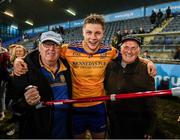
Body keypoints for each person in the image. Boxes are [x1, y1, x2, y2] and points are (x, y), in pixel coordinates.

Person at [13, 14, 157, 139]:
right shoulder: (67, 49)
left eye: (97, 33)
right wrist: (20, 60)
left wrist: (148, 61)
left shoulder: (110, 51)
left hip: (99, 106)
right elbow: (44, 52)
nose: (93, 37)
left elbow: (129, 55)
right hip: (75, 107)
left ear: (103, 33)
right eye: (89, 32)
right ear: (83, 32)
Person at [9, 31, 72, 138]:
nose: (51, 49)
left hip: (65, 132)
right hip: (36, 133)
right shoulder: (24, 68)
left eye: (56, 45)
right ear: (39, 47)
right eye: (46, 44)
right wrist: (25, 102)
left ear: (61, 48)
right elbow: (13, 107)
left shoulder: (69, 67)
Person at [105, 36, 156, 139]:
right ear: (120, 49)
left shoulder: (145, 69)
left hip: (137, 123)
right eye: (126, 47)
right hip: (114, 121)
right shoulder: (110, 65)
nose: (129, 51)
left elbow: (151, 101)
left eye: (134, 48)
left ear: (139, 50)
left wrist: (151, 128)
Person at [0, 38, 10, 121]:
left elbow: (8, 63)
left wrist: (5, 52)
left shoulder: (4, 53)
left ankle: (2, 112)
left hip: (2, 77)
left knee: (2, 95)